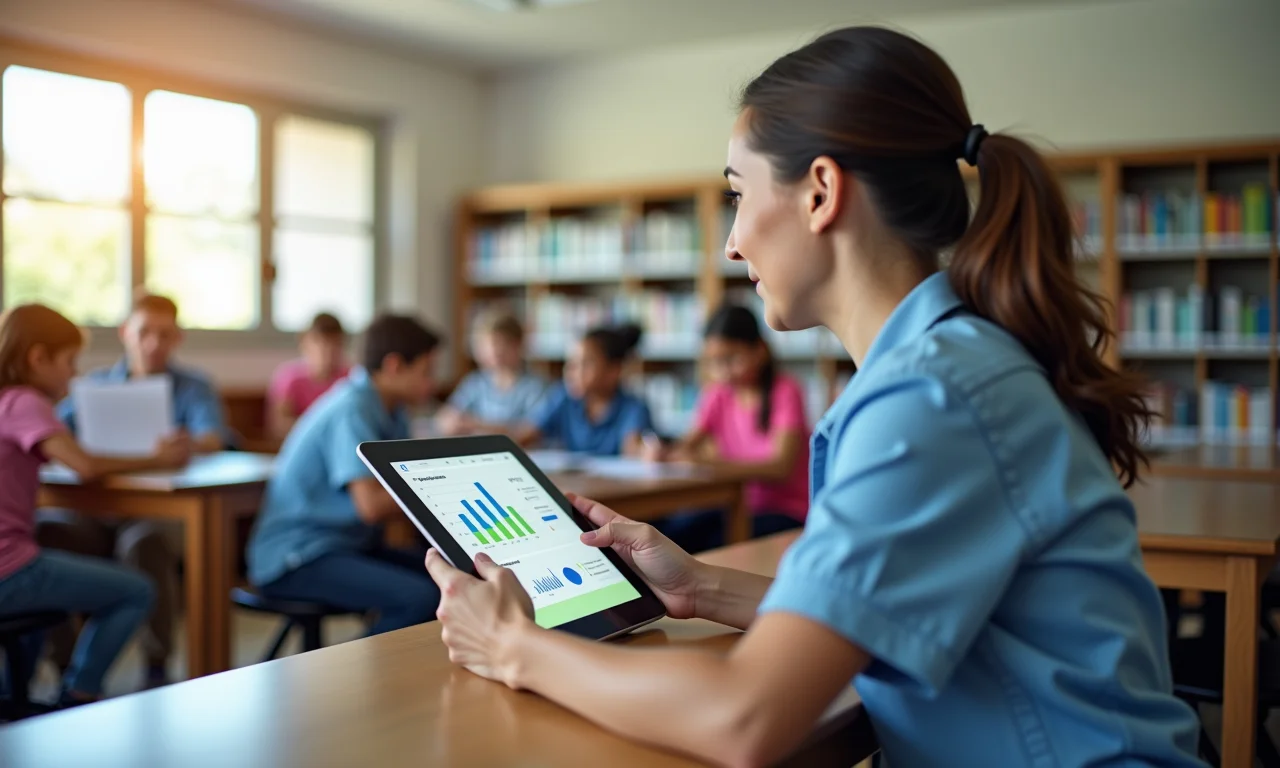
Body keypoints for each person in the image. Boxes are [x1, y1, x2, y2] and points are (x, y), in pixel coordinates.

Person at [420, 26, 1203, 768]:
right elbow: (870, 614)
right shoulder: (944, 368)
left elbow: (745, 717)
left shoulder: (932, 398)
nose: (731, 242)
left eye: (737, 193)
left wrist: (515, 647)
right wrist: (699, 587)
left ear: (821, 192)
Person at [0, 305, 189, 705]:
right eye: (68, 361)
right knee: (136, 590)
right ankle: (80, 692)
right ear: (37, 358)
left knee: (47, 563)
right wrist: (157, 458)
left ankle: (11, 693)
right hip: (9, 569)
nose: (73, 373)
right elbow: (84, 465)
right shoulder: (25, 402)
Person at [39, 291, 228, 688]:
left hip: (160, 513)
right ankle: (66, 665)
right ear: (126, 332)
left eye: (165, 334)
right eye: (145, 332)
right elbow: (51, 431)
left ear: (178, 338)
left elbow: (213, 436)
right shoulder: (94, 387)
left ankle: (156, 665)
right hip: (95, 513)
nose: (154, 344)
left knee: (146, 542)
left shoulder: (193, 387)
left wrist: (186, 444)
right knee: (49, 532)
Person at [246, 314, 442, 636]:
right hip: (298, 555)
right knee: (420, 596)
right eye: (426, 371)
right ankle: (354, 680)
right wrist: (439, 490)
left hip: (344, 544)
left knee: (448, 576)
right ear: (394, 367)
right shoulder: (353, 409)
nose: (432, 383)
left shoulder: (393, 408)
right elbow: (371, 506)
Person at [648, 303, 809, 552]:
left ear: (760, 350)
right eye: (714, 362)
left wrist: (707, 462)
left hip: (785, 511)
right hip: (736, 507)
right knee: (670, 532)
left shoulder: (786, 391)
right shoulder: (718, 394)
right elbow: (688, 444)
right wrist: (664, 452)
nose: (723, 371)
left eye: (732, 359)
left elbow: (781, 467)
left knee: (708, 545)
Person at [516, 323, 653, 457]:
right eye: (571, 363)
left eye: (585, 364)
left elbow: (633, 447)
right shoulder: (563, 397)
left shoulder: (633, 408)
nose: (572, 372)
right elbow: (528, 434)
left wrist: (647, 452)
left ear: (614, 371)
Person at [436, 308, 547, 436]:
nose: (495, 352)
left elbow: (530, 432)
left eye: (502, 344)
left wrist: (477, 424)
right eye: (488, 346)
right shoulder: (476, 382)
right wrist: (450, 422)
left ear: (518, 345)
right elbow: (448, 414)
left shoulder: (535, 387)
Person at [266, 311, 351, 442]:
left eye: (335, 344)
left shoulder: (350, 378)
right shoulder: (290, 378)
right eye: (321, 343)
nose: (327, 351)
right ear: (304, 342)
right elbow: (279, 425)